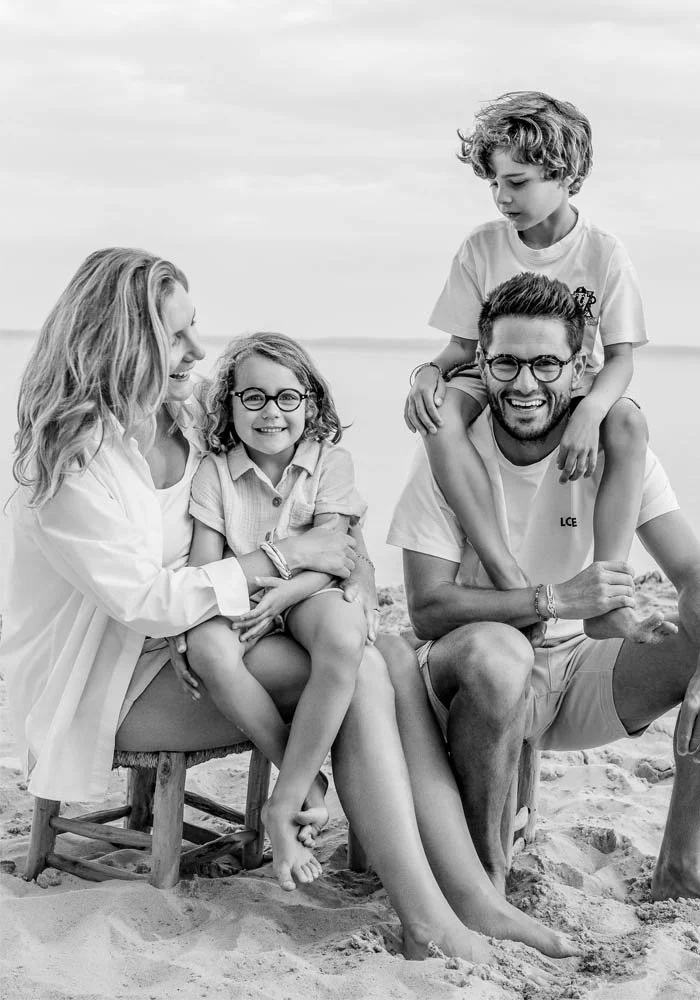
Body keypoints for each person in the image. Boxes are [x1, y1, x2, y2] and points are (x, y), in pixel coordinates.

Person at [0, 248, 577, 962]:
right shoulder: (75, 462)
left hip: (201, 635)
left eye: (193, 330)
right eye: (176, 336)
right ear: (125, 341)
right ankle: (426, 914)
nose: (196, 351)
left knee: (391, 657)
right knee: (361, 672)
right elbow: (149, 602)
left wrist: (351, 568)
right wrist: (287, 560)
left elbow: (308, 509)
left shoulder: (182, 417)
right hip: (105, 682)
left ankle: (475, 899)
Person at [389, 271, 700, 900]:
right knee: (496, 652)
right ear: (481, 361)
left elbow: (692, 573)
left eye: (544, 364)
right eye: (505, 364)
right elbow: (425, 609)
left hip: (580, 669)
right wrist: (553, 600)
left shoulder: (613, 449)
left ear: (580, 367)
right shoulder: (451, 451)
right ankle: (487, 881)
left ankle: (681, 871)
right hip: (471, 680)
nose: (524, 384)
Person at [404, 91, 650, 643]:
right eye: (494, 182)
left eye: (518, 182)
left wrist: (590, 412)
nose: (501, 196)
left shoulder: (604, 253)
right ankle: (508, 576)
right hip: (491, 375)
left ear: (565, 176)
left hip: (570, 384)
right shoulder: (481, 248)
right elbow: (458, 351)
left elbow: (620, 359)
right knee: (439, 415)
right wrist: (423, 375)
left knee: (628, 423)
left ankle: (607, 593)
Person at [178, 331, 369, 892]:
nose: (271, 412)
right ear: (229, 404)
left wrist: (284, 594)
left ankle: (279, 803)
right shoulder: (215, 473)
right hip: (243, 606)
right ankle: (303, 781)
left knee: (341, 634)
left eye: (288, 397)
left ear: (310, 404)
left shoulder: (331, 461)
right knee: (208, 644)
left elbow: (336, 555)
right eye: (254, 397)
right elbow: (203, 570)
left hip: (307, 593)